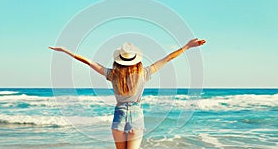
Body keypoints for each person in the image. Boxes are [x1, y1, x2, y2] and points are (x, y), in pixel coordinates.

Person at [49, 38, 206, 149]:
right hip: (136, 118)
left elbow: (88, 62)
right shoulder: (144, 73)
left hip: (118, 118)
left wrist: (65, 51)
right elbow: (168, 58)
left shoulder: (112, 74)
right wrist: (187, 46)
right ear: (136, 60)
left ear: (118, 60)